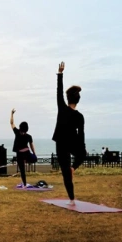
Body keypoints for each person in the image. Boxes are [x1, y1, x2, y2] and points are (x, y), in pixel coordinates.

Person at [52, 61, 86, 206]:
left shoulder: (62, 107)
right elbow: (81, 135)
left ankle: (72, 199)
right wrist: (81, 151)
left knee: (66, 173)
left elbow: (59, 91)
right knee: (82, 155)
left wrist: (60, 73)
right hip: (71, 143)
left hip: (61, 144)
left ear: (68, 99)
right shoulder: (79, 116)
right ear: (78, 100)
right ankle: (73, 168)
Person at [10, 108, 36, 188]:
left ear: (20, 127)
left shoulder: (17, 132)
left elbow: (11, 123)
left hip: (20, 154)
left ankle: (24, 184)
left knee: (22, 170)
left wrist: (12, 113)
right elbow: (31, 145)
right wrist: (34, 153)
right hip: (26, 153)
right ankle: (24, 184)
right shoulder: (28, 136)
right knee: (34, 159)